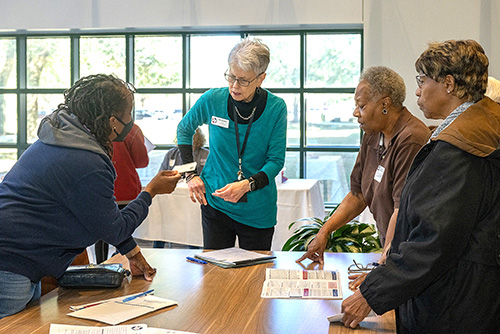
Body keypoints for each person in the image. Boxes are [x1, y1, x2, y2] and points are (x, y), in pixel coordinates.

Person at [342, 40, 500, 333]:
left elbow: (433, 241)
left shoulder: (460, 149)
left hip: (453, 304)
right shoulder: (474, 129)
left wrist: (371, 294)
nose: (417, 90)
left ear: (449, 84)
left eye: (422, 80)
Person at [0, 74, 181, 319]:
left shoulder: (60, 137)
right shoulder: (87, 162)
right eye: (129, 113)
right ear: (113, 122)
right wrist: (151, 191)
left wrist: (133, 254)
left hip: (20, 261)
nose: (132, 119)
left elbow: (98, 215)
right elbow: (113, 228)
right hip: (12, 266)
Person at [296, 66, 430, 269]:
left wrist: (384, 265)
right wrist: (324, 232)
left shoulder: (411, 138)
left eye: (362, 106)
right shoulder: (373, 134)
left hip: (408, 253)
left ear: (385, 103)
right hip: (391, 249)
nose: (355, 112)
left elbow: (400, 209)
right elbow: (358, 195)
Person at [176, 38, 287, 251]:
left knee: (254, 277)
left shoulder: (276, 108)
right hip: (215, 205)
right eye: (231, 77)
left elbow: (275, 161)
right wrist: (190, 174)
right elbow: (184, 129)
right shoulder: (212, 99)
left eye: (243, 80)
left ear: (260, 79)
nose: (234, 86)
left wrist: (246, 185)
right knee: (215, 276)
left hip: (257, 210)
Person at [95, 123, 149, 263]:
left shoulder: (93, 126)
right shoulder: (132, 130)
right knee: (124, 232)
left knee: (100, 235)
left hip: (100, 188)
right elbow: (142, 162)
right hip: (126, 189)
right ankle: (122, 265)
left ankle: (100, 265)